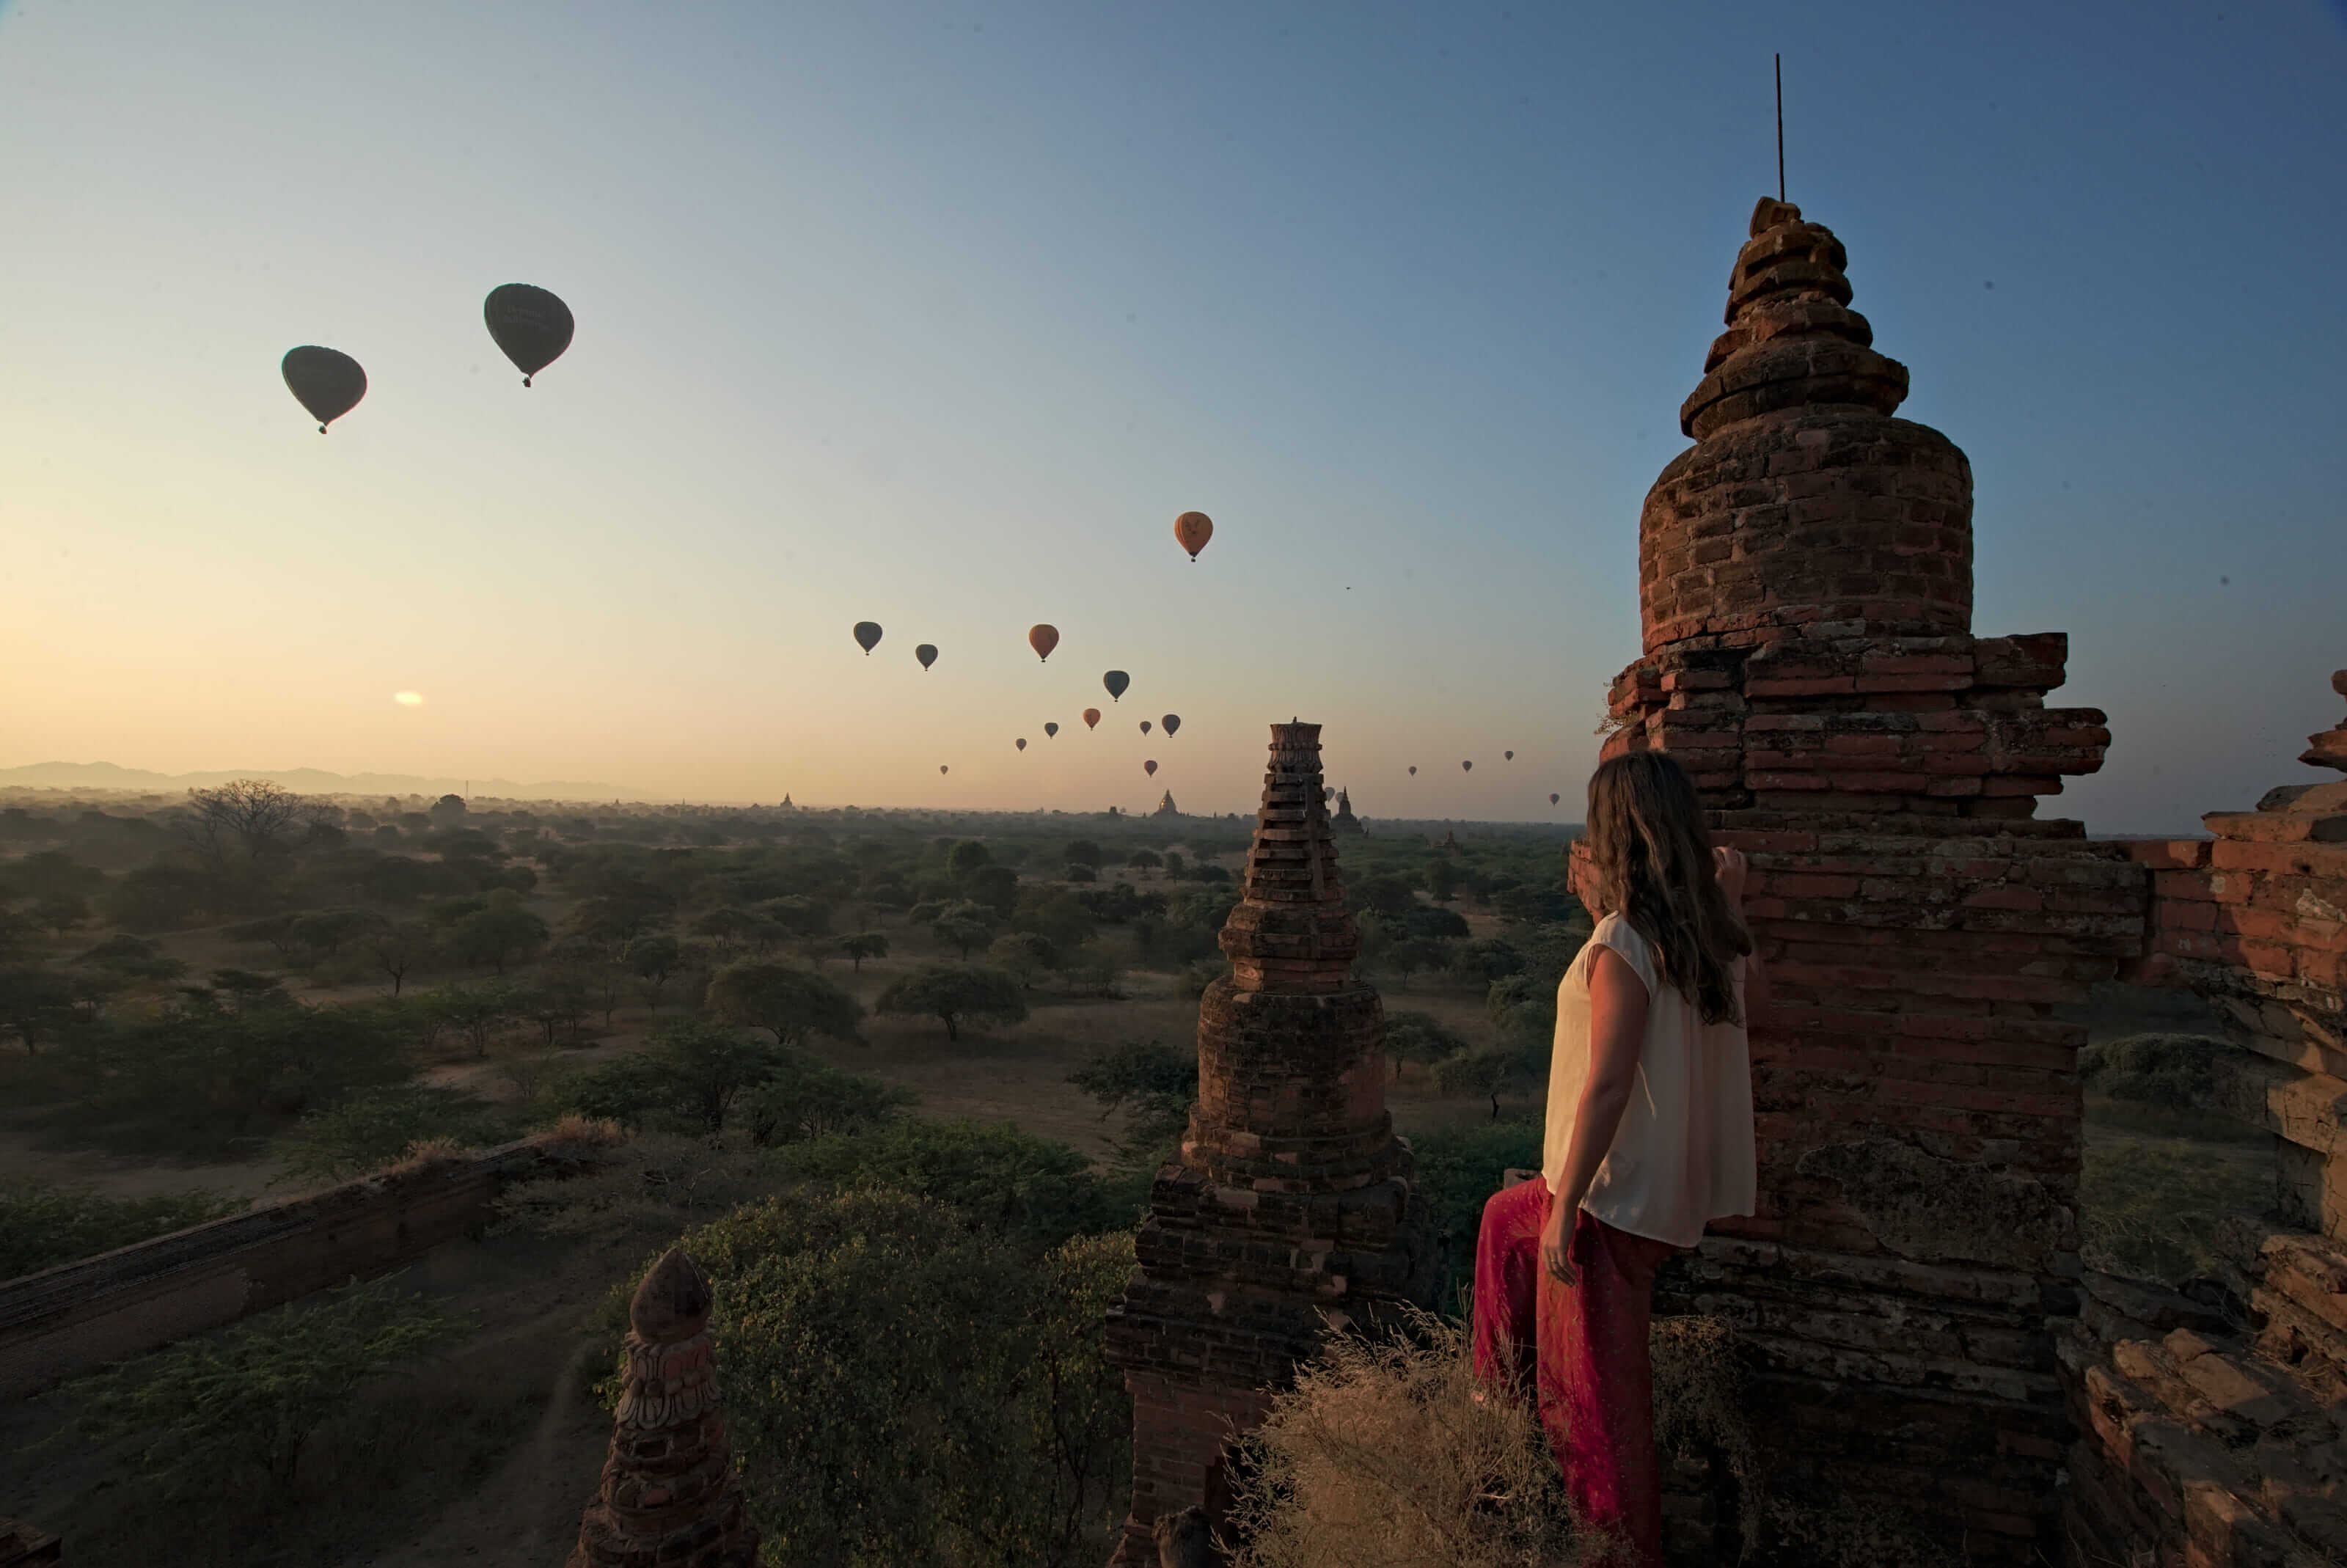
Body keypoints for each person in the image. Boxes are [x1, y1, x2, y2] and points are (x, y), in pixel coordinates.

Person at [1471, 750, 1757, 1566]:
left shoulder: (1623, 939)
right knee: (1502, 1219)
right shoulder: (1700, 933)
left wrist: (1565, 1208)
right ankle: (1492, 1400)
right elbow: (1738, 1008)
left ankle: (1615, 1551)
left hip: (1605, 1199)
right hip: (1655, 1191)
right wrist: (1728, 903)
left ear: (1613, 834)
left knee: (1594, 1413)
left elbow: (1604, 1084)